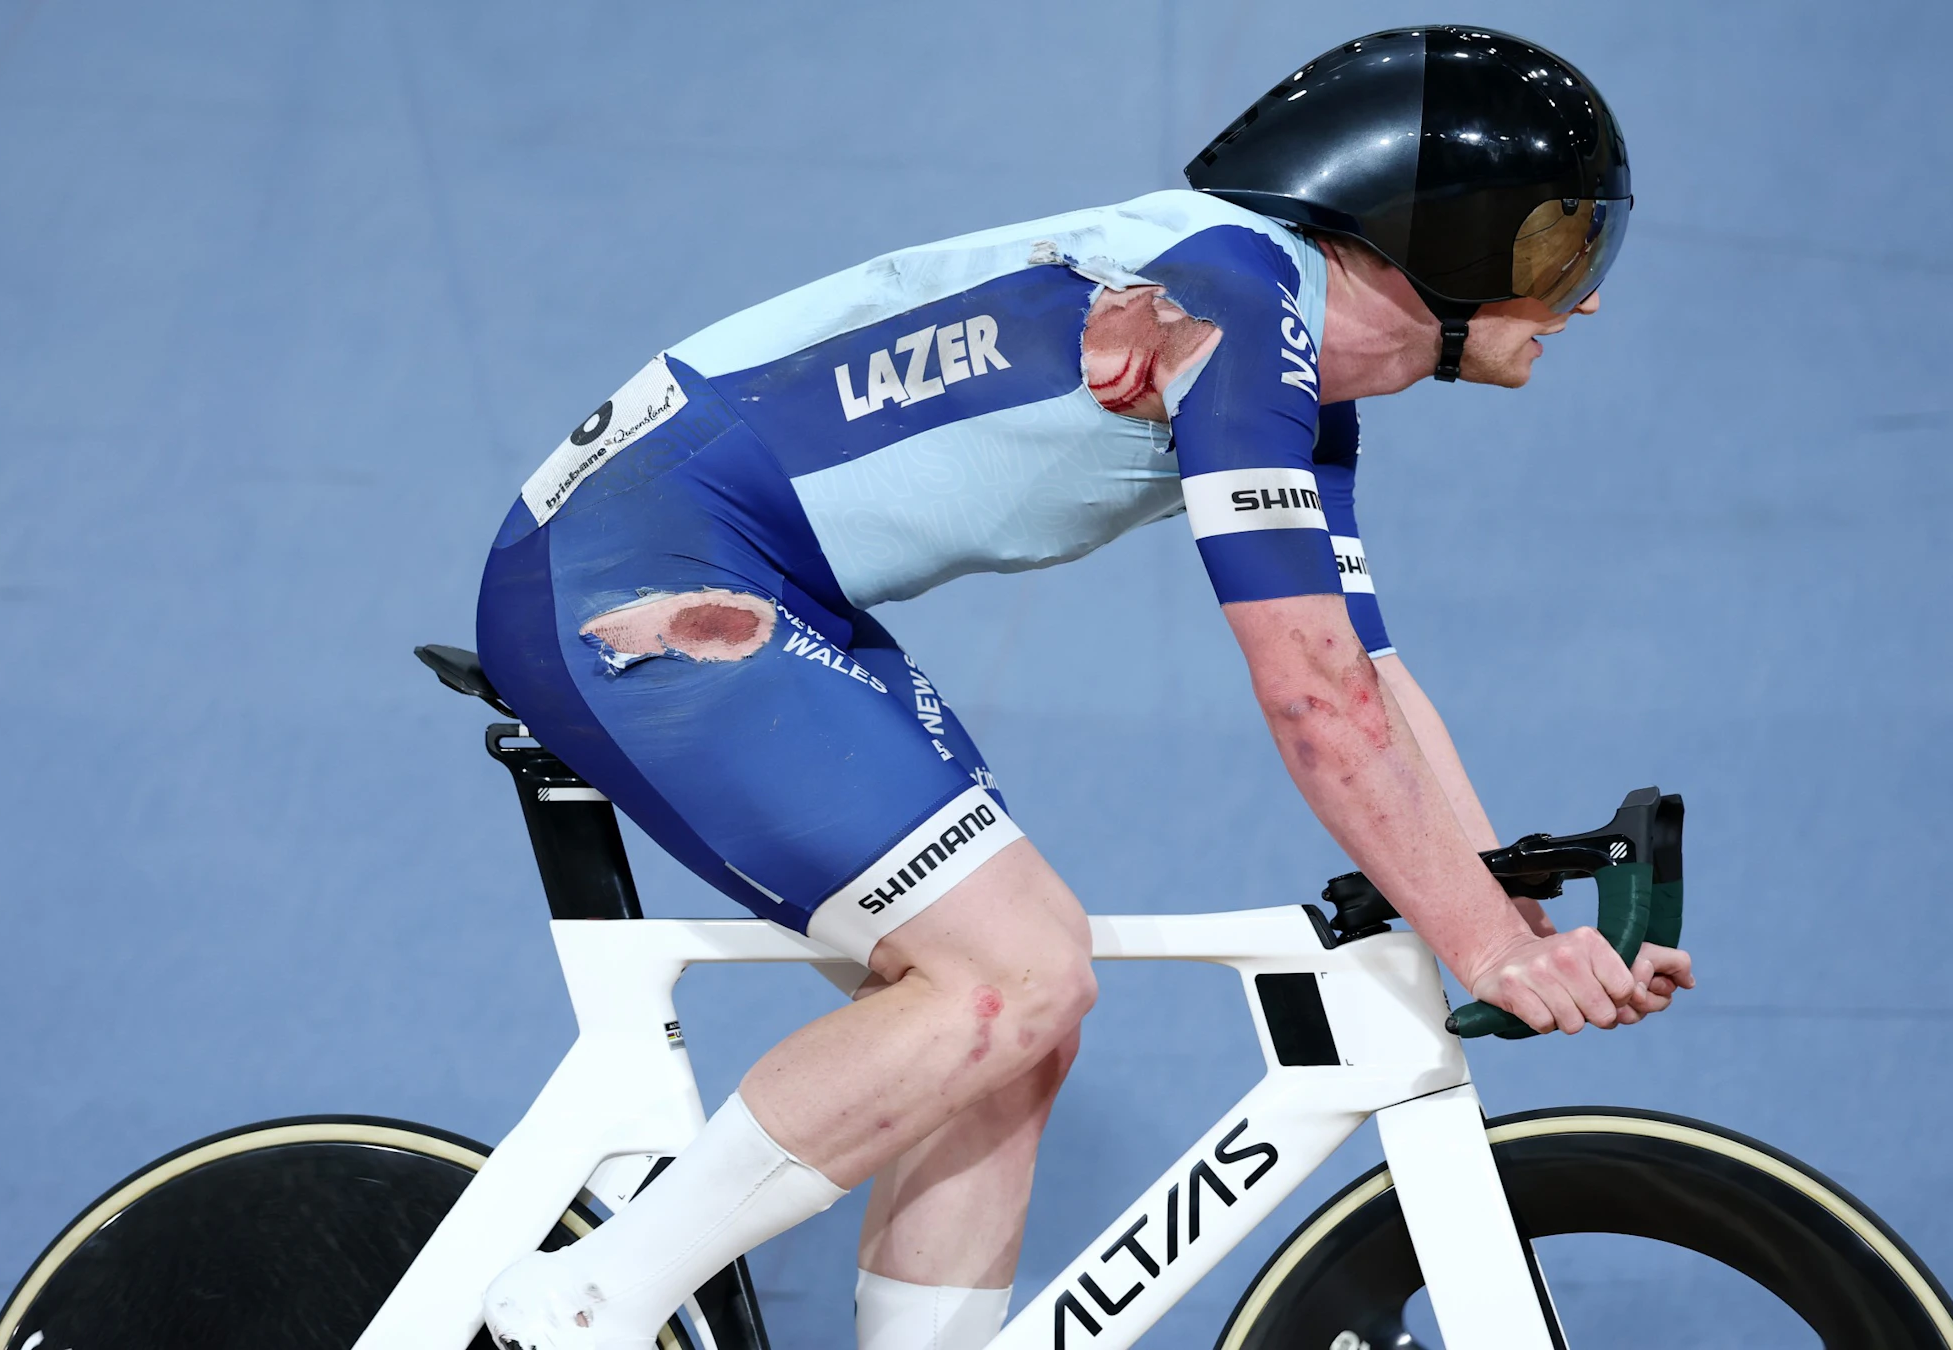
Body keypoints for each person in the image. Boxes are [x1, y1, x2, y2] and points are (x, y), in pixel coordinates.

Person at [472, 25, 1694, 1350]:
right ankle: (585, 1305)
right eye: (1558, 247)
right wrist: (1489, 942)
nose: (1586, 297)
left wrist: (1506, 901)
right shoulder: (1235, 309)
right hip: (636, 564)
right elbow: (1315, 706)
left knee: (1012, 1029)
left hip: (744, 567)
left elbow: (1371, 679)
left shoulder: (1288, 363)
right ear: (1435, 234)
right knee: (1012, 977)